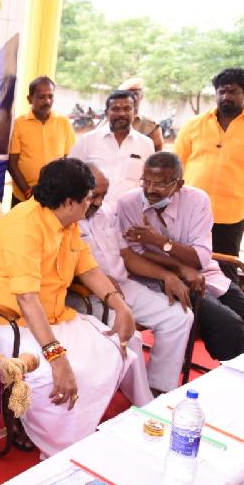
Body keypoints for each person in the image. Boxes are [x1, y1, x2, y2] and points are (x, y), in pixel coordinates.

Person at [0, 158, 150, 457]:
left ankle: (143, 415)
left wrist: (120, 304)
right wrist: (56, 356)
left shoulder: (67, 221)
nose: (92, 203)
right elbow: (26, 299)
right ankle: (58, 447)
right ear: (68, 201)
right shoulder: (24, 226)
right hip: (4, 322)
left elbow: (88, 269)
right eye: (89, 198)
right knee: (60, 372)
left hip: (49, 316)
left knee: (126, 341)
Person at [68, 165, 193, 394]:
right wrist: (103, 283)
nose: (98, 202)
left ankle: (158, 386)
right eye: (93, 195)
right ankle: (145, 404)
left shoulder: (105, 212)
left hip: (123, 285)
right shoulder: (66, 216)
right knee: (131, 335)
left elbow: (127, 255)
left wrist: (166, 275)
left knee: (180, 316)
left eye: (103, 196)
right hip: (86, 296)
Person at [117, 152, 244, 362]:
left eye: (159, 184)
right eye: (146, 181)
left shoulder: (197, 199)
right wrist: (180, 269)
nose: (150, 190)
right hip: (159, 280)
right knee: (229, 324)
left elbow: (200, 259)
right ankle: (231, 375)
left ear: (178, 184)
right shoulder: (128, 203)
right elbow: (136, 256)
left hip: (205, 274)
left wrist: (159, 242)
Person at [175, 68, 244, 284]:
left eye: (232, 91)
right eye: (221, 91)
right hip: (190, 211)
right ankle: (191, 314)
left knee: (224, 271)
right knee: (186, 265)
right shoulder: (193, 124)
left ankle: (227, 316)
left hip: (231, 213)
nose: (226, 97)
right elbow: (177, 163)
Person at [71, 90, 154, 208]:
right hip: (93, 214)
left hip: (129, 215)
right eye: (115, 109)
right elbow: (71, 178)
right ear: (106, 112)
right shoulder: (87, 141)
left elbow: (148, 182)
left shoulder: (146, 144)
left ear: (135, 112)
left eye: (127, 108)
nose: (121, 113)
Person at [8, 76, 75, 206]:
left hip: (56, 196)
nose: (47, 101)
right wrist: (27, 191)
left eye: (50, 96)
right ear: (29, 99)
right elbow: (12, 164)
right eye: (41, 97)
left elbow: (70, 159)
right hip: (24, 197)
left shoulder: (63, 123)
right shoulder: (18, 124)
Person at [118, 77, 164, 152]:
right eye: (128, 94)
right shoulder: (109, 121)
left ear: (141, 96)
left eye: (136, 94)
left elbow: (157, 156)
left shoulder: (151, 126)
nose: (133, 98)